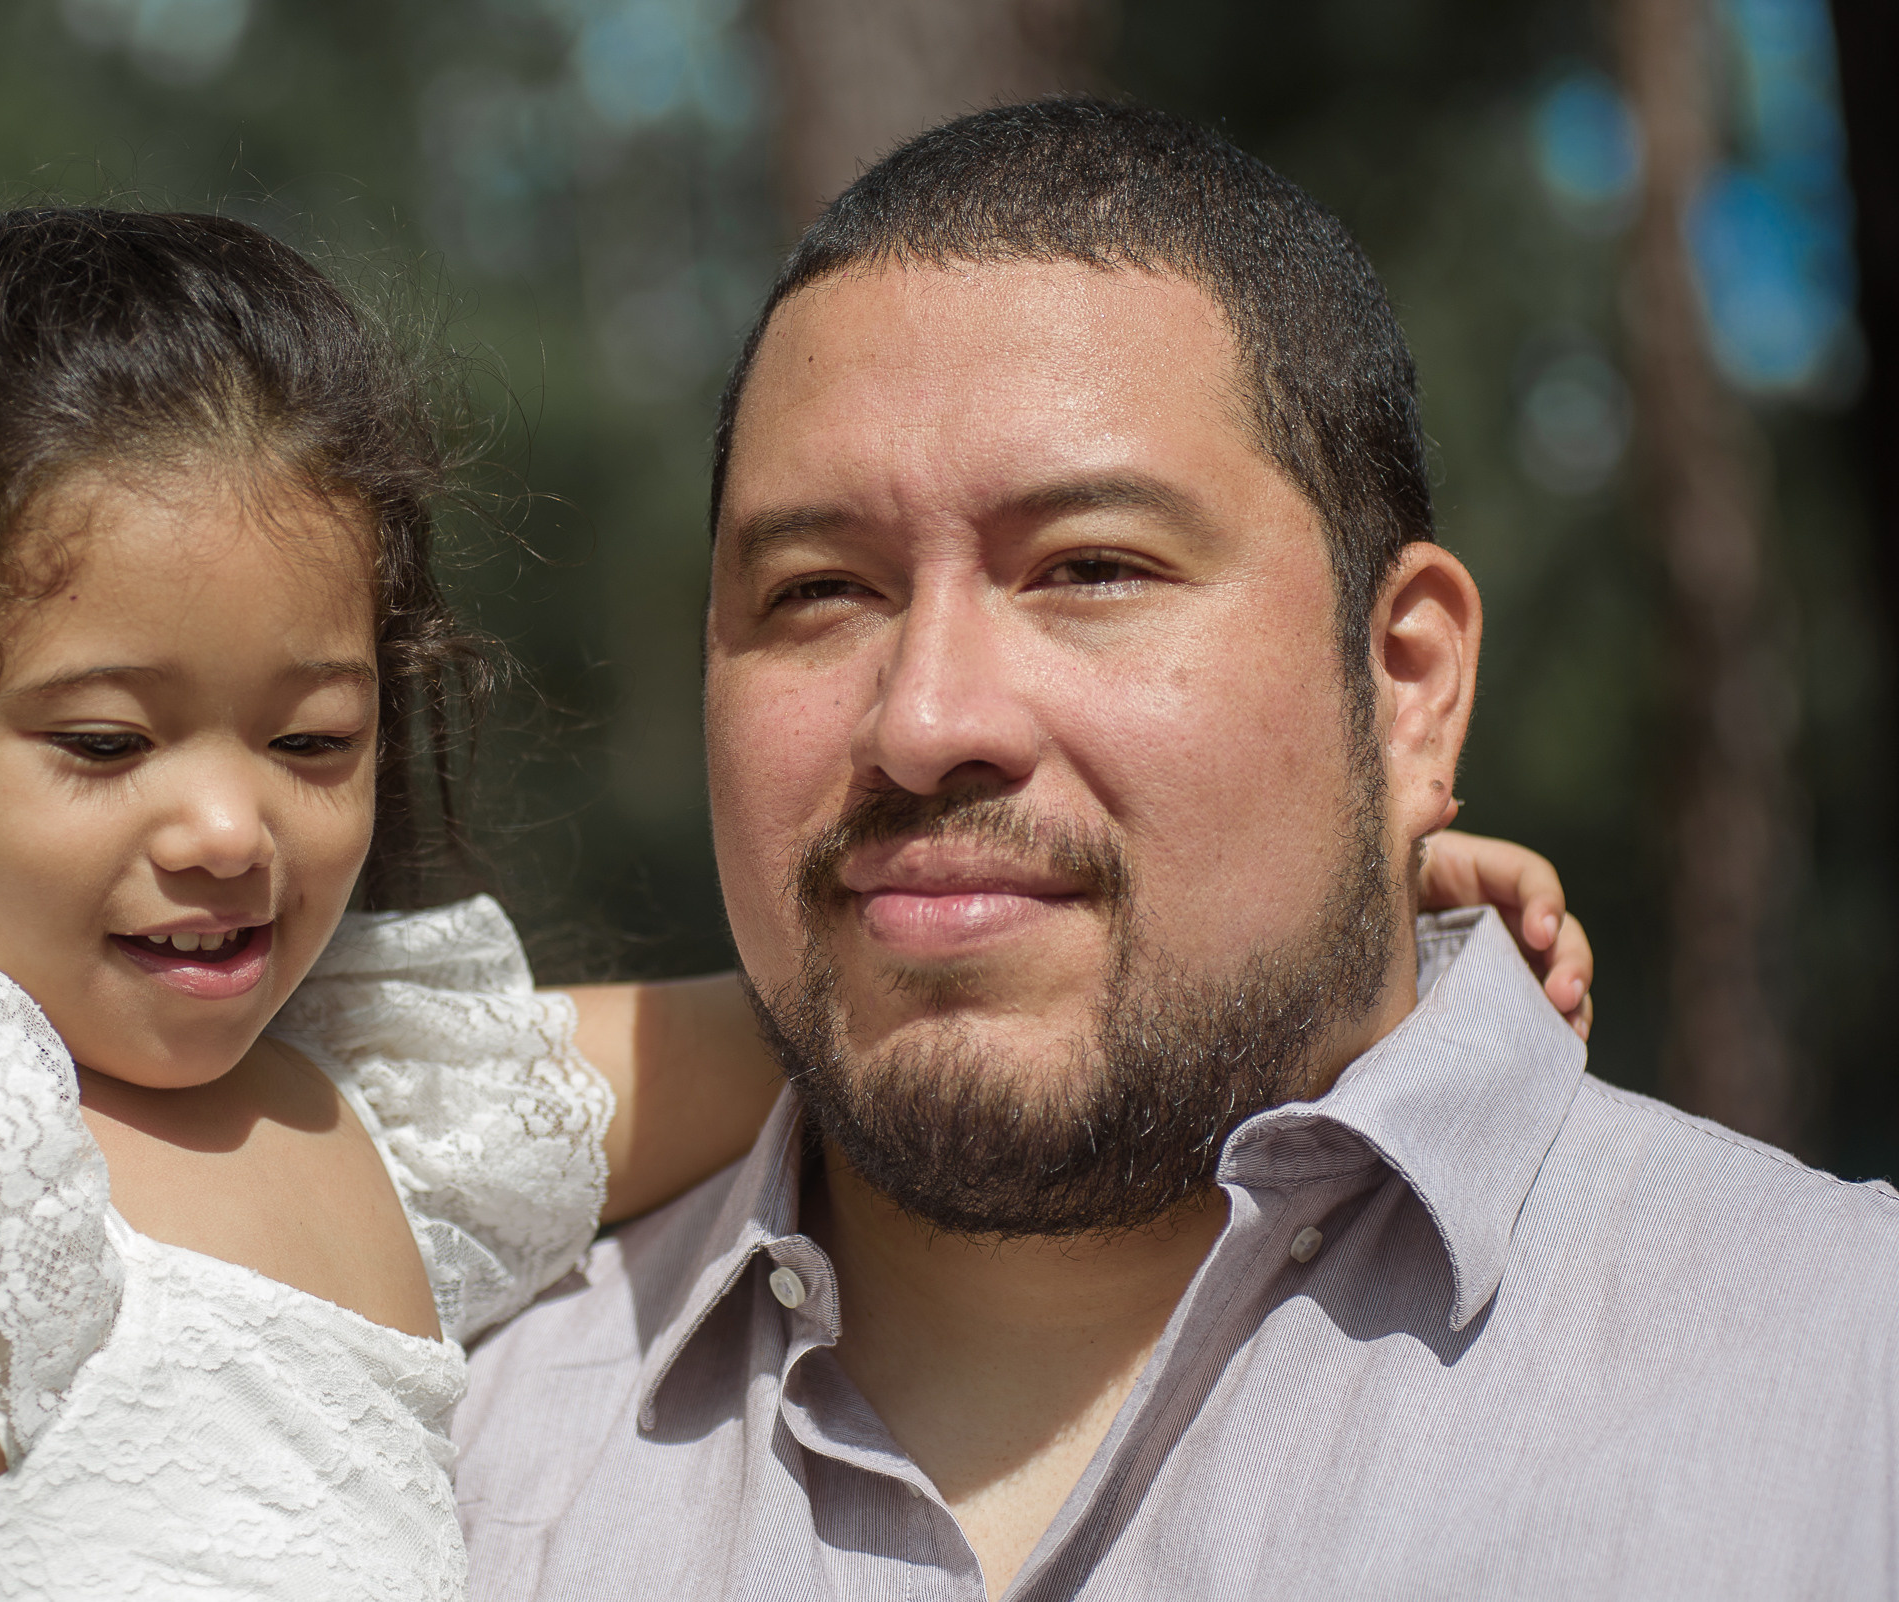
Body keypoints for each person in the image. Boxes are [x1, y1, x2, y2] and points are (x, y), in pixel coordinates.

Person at [0, 204, 1584, 1602]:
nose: (227, 829)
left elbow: (860, 1002)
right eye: (107, 744)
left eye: (310, 745)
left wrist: (1301, 901)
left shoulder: (386, 1109)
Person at [452, 98, 1899, 1600]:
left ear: (1405, 686)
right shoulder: (446, 1462)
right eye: (820, 590)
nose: (926, 715)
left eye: (1089, 566)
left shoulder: (1847, 1386)